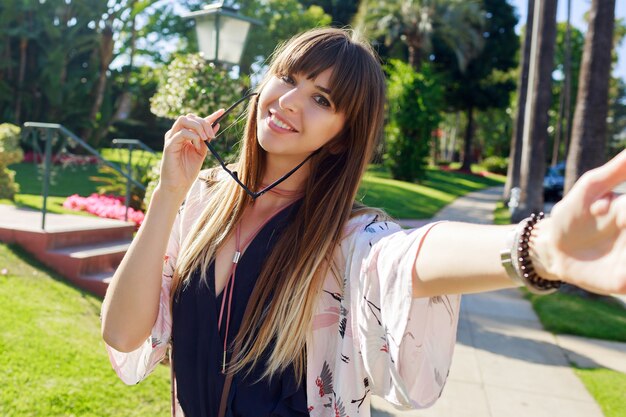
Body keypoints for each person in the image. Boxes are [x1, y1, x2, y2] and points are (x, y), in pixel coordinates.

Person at [100, 27, 626, 417]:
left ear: (345, 135)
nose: (289, 102)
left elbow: (413, 259)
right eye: (287, 77)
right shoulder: (202, 200)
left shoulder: (347, 238)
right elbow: (123, 333)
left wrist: (540, 248)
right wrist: (170, 193)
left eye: (322, 99)